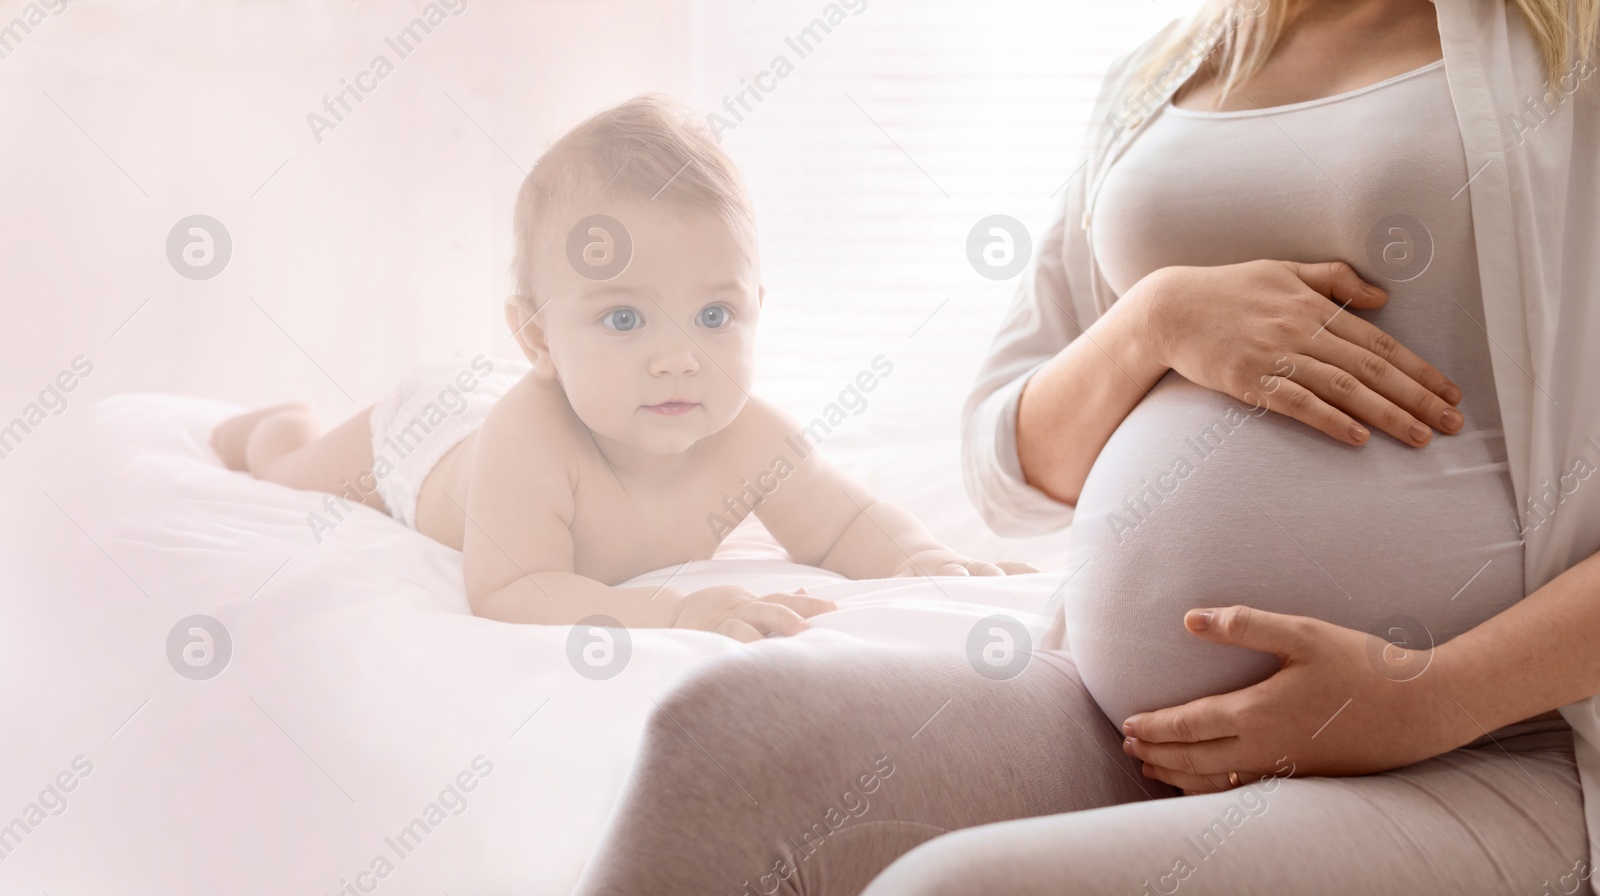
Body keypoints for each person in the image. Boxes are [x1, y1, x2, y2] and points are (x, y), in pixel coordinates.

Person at [572, 0, 1600, 892]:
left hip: (1489, 753)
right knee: (719, 741)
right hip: (1131, 730)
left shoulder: (1570, 53)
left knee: (952, 888)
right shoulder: (1167, 74)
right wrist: (1152, 322)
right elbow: (1011, 458)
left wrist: (1425, 699)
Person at [209, 95, 1034, 643]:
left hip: (502, 396)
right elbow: (515, 588)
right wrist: (672, 612)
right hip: (430, 435)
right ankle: (274, 425)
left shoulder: (750, 435)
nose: (679, 356)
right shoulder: (530, 439)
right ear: (537, 339)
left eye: (715, 316)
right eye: (624, 318)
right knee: (289, 472)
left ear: (756, 307)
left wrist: (921, 556)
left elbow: (845, 522)